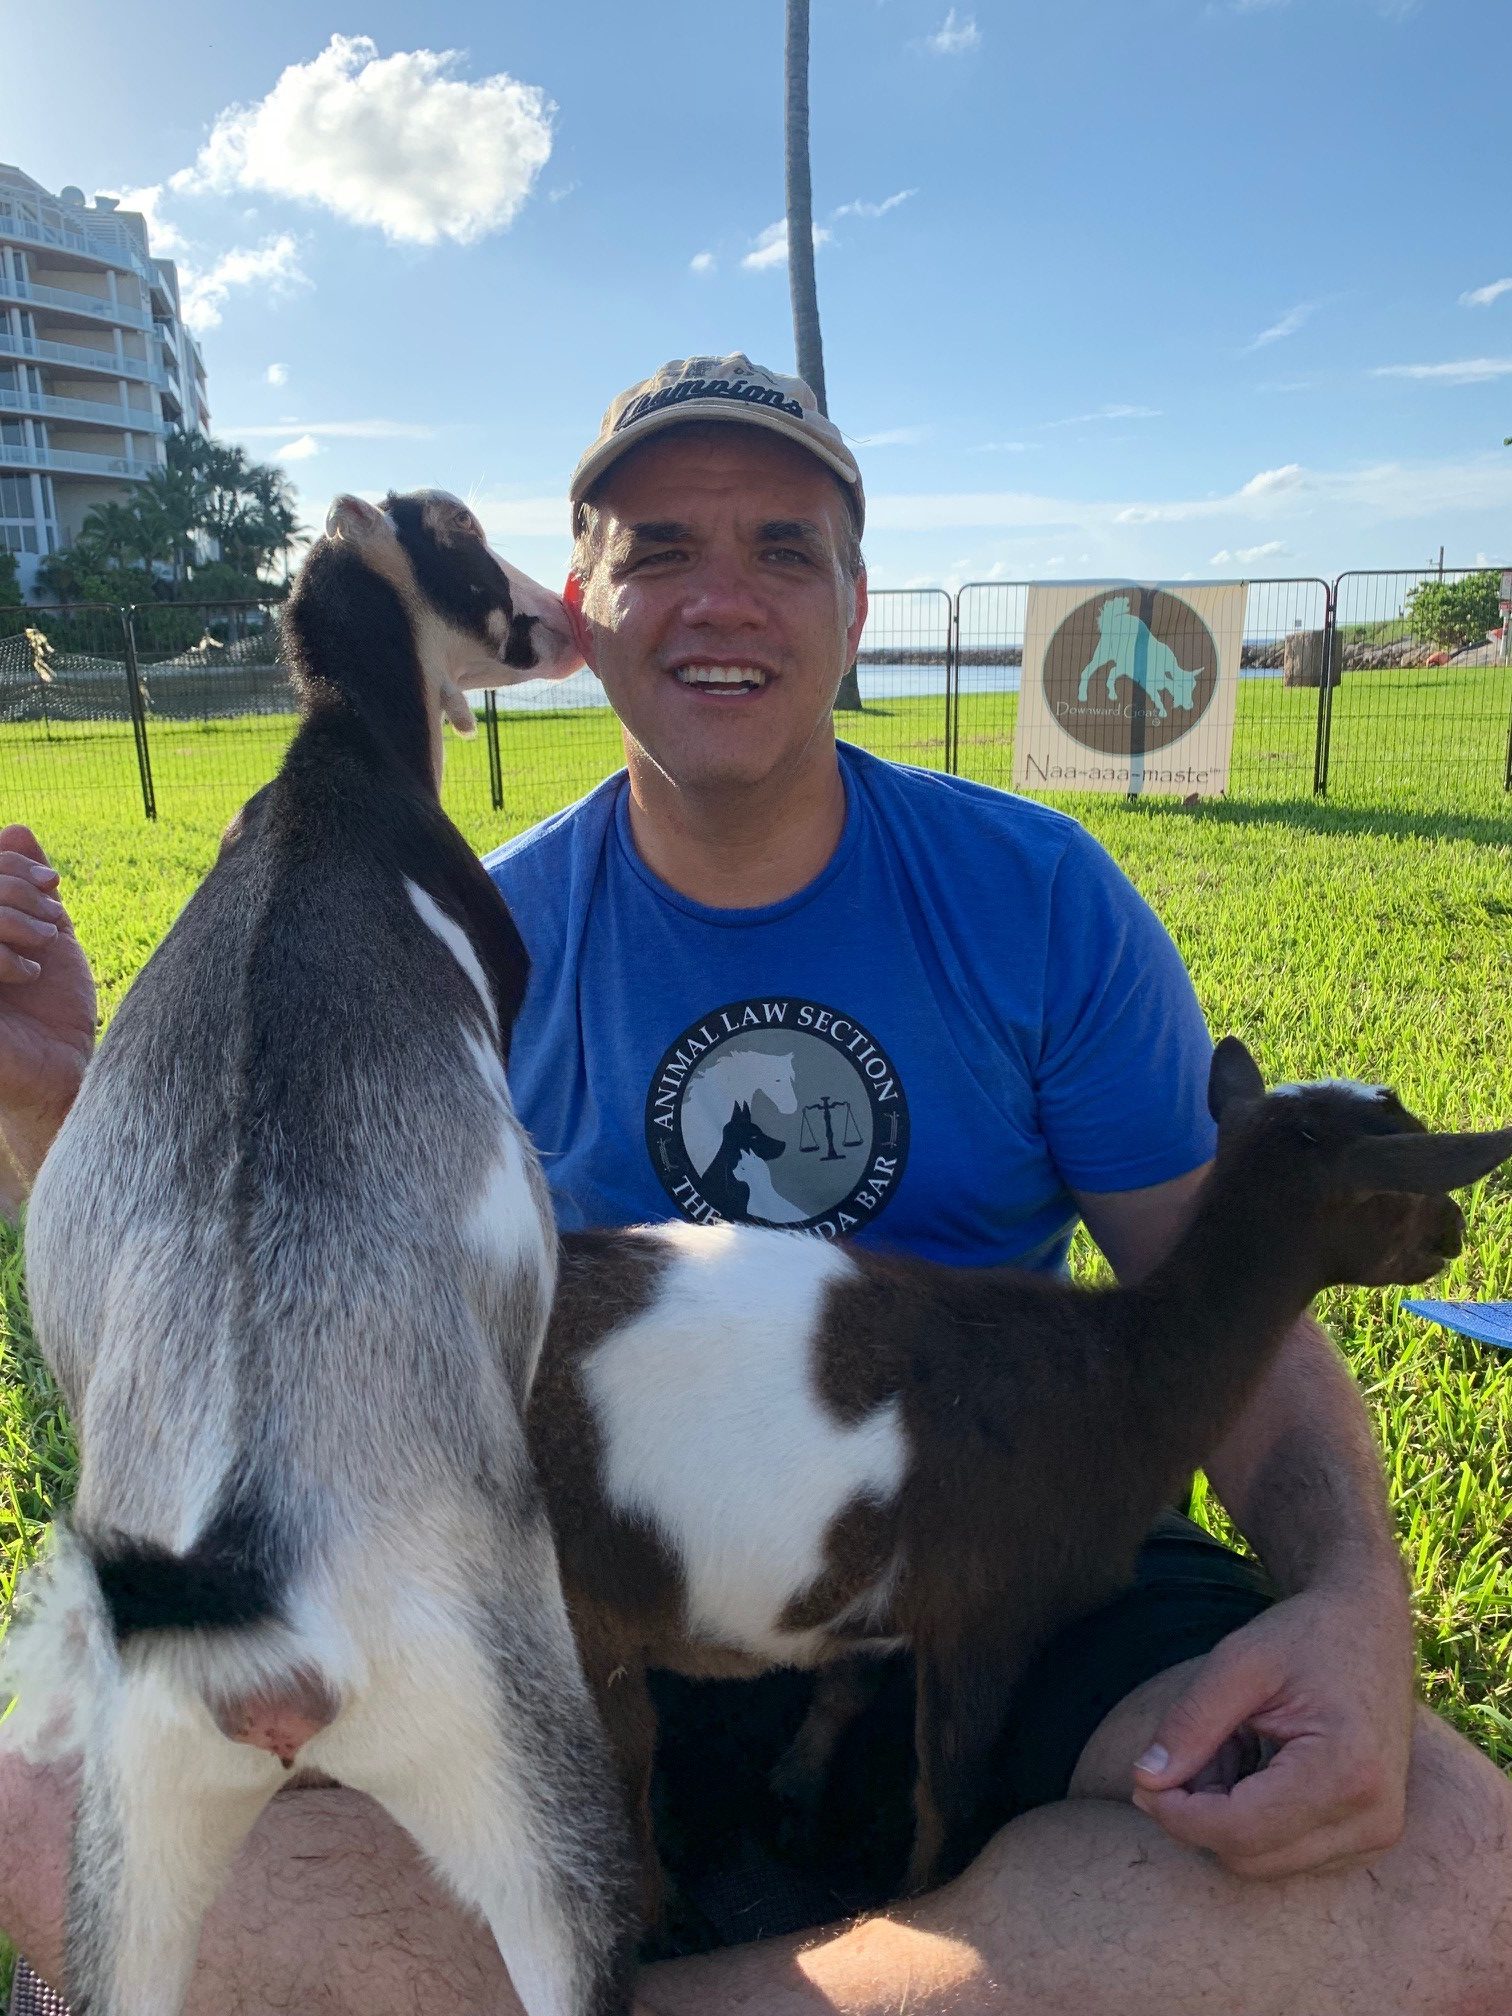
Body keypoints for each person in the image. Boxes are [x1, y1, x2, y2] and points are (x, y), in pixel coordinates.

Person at [1, 354, 1509, 2016]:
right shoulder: (446, 946)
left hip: (996, 1532)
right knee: (50, 1785)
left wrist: (1361, 1599)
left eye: (785, 550)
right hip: (572, 1567)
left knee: (1455, 1874)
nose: (725, 598)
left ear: (856, 604)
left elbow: (1236, 1306)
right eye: (659, 548)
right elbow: (239, 1298)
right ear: (579, 605)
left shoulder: (1037, 899)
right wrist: (50, 1100)